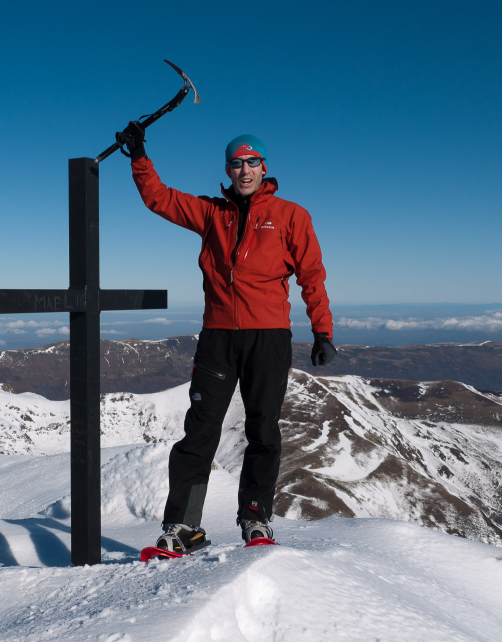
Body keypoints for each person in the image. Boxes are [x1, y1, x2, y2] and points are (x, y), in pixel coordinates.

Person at [123, 123, 337, 552]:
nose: (244, 170)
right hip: (218, 337)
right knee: (200, 432)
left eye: (252, 162)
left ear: (264, 167)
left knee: (263, 431)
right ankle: (184, 527)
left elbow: (311, 276)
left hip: (269, 337)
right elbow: (159, 199)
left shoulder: (291, 216)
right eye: (237, 163)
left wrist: (323, 331)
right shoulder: (211, 213)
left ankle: (255, 520)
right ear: (228, 168)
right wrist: (139, 158)